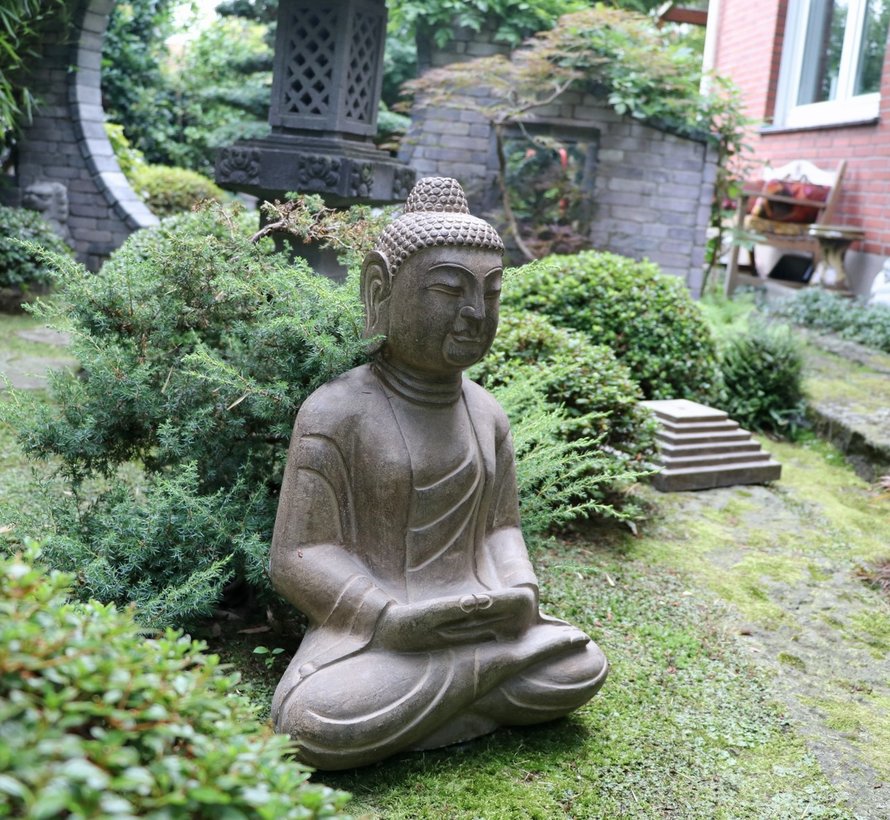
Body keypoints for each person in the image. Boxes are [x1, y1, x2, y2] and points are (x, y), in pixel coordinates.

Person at [270, 177, 607, 770]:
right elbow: (299, 554)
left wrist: (520, 592)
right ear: (381, 289)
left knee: (582, 666)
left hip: (476, 614)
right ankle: (484, 688)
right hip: (379, 634)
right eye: (449, 290)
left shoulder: (486, 412)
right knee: (312, 722)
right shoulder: (336, 410)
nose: (475, 314)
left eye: (492, 293)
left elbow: (501, 530)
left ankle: (460, 691)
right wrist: (386, 619)